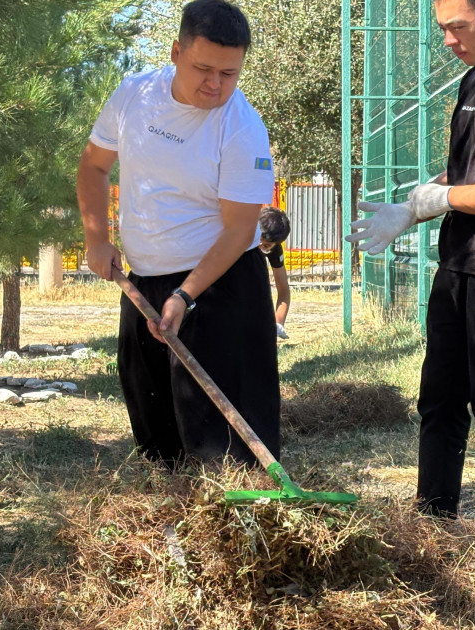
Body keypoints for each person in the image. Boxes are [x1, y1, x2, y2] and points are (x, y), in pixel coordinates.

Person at [346, 0, 475, 559]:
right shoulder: (472, 80)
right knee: (438, 402)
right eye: (442, 29)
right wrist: (415, 205)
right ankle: (431, 529)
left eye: (459, 27)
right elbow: (466, 176)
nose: (449, 40)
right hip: (455, 264)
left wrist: (446, 198)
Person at [76, 0, 280, 468]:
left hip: (222, 287)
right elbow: (93, 166)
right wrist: (96, 238)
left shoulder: (242, 127)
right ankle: (171, 509)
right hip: (144, 282)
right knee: (157, 439)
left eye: (229, 73)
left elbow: (238, 230)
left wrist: (185, 296)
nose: (215, 84)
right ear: (175, 52)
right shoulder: (135, 94)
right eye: (203, 69)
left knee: (225, 452)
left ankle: (240, 507)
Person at [258, 206, 292, 339]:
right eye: (257, 241)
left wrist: (278, 324)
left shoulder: (274, 251)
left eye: (266, 246)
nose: (259, 248)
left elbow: (284, 291)